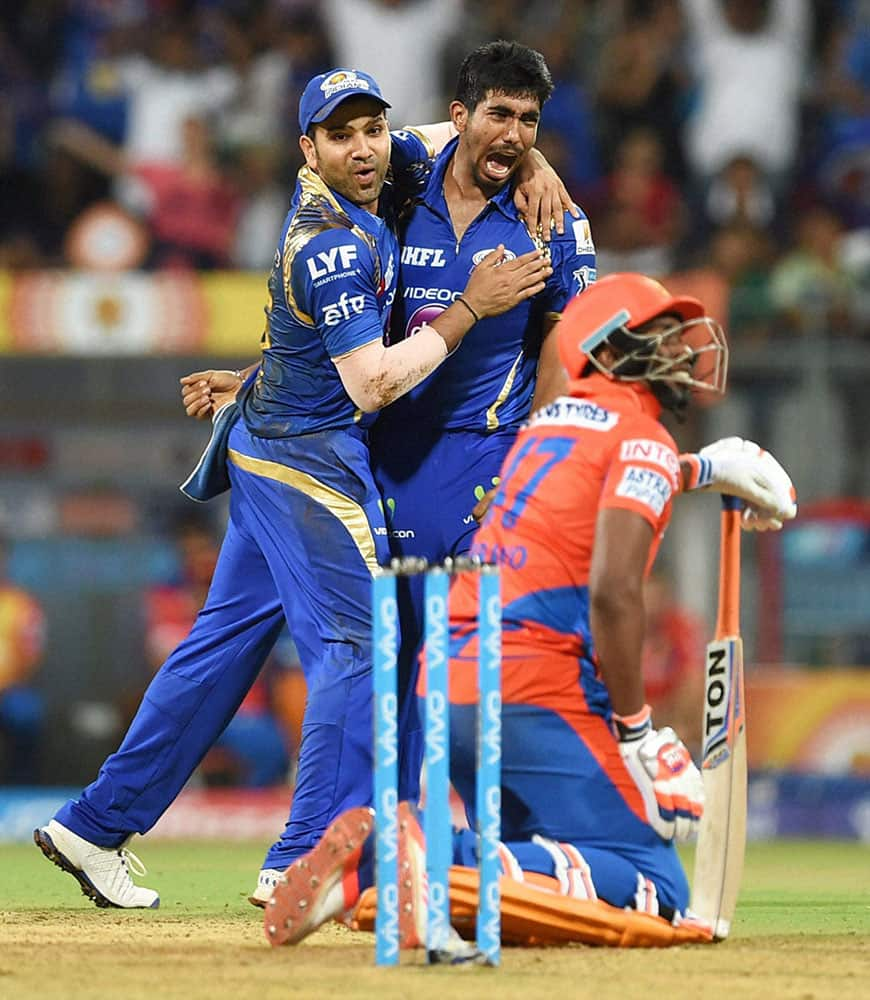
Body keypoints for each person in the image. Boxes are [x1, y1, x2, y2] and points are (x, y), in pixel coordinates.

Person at [34, 66, 553, 910]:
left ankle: (96, 826)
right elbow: (373, 386)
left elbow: (451, 135)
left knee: (221, 647)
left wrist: (534, 163)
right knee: (359, 648)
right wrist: (469, 307)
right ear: (306, 149)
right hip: (308, 461)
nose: (364, 148)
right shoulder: (334, 242)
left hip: (266, 439)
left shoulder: (368, 183)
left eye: (373, 130)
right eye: (340, 134)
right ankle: (303, 855)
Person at [264, 272, 797, 948]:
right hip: (530, 691)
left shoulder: (544, 431)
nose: (683, 350)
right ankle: (427, 857)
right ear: (605, 350)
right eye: (658, 334)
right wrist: (637, 735)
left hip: (448, 686)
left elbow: (588, 487)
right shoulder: (643, 438)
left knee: (541, 888)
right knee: (652, 885)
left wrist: (702, 469)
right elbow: (613, 589)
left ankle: (385, 867)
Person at [182, 40, 589, 906]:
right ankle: (325, 855)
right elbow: (357, 336)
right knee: (374, 670)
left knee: (476, 667)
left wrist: (541, 467)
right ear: (458, 115)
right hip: (376, 458)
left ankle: (501, 860)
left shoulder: (559, 221)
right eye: (499, 114)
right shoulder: (401, 171)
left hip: (481, 466)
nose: (513, 134)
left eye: (530, 122)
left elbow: (564, 351)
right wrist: (258, 380)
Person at [0, 535, 46, 784]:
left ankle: (19, 790)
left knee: (25, 713)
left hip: (8, 692)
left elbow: (31, 658)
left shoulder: (21, 604)